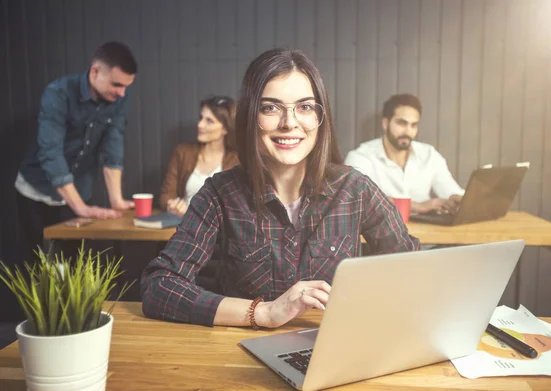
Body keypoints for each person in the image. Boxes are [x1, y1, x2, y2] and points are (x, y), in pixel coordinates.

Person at [140, 48, 420, 329]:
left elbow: (415, 270)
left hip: (330, 349)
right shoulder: (219, 194)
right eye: (270, 108)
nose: (289, 123)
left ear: (320, 119)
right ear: (251, 117)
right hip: (238, 355)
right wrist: (264, 312)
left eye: (305, 107)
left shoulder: (355, 189)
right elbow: (159, 286)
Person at [15, 41, 137, 257]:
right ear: (95, 71)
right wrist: (80, 208)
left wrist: (116, 200)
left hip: (79, 191)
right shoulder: (58, 93)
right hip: (37, 191)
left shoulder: (118, 99)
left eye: (126, 86)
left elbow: (113, 148)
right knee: (44, 270)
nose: (121, 93)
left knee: (75, 267)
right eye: (117, 84)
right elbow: (50, 153)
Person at [344, 94, 464, 215]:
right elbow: (357, 197)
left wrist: (458, 199)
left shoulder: (429, 154)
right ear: (385, 123)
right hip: (380, 232)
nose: (408, 131)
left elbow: (451, 191)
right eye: (402, 123)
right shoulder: (361, 156)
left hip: (427, 231)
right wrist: (419, 206)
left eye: (414, 125)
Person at [159, 96, 239, 216]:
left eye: (209, 121)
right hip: (185, 225)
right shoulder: (183, 152)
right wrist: (172, 205)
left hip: (220, 230)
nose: (200, 125)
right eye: (201, 118)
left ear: (225, 129)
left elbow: (239, 205)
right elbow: (166, 195)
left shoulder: (237, 160)